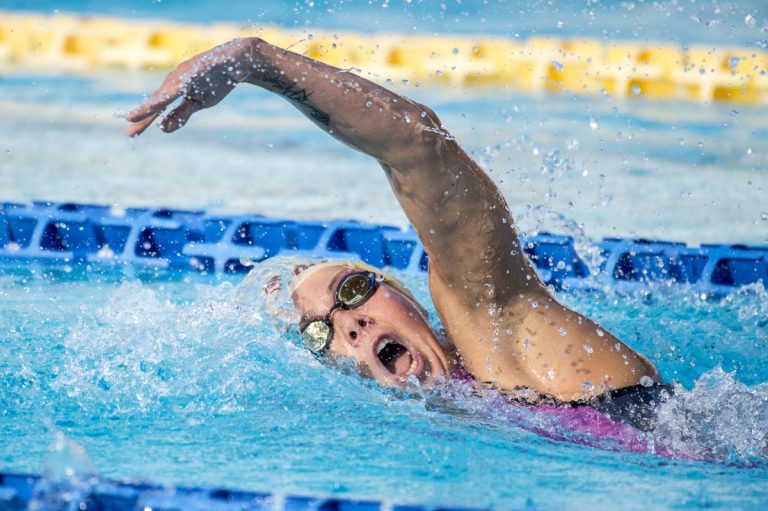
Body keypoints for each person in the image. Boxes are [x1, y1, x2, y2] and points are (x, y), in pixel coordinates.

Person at [126, 36, 668, 431]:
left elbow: (418, 147)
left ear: (403, 294)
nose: (351, 324)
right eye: (320, 334)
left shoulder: (499, 332)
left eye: (352, 289)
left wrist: (257, 61)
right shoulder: (454, 420)